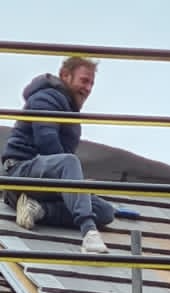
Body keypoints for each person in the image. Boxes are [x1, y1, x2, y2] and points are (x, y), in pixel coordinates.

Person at [3, 56, 113, 254]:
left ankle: (38, 209)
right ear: (65, 76)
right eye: (84, 80)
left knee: (105, 211)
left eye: (91, 83)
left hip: (43, 182)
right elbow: (47, 143)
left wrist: (78, 189)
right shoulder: (46, 98)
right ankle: (89, 233)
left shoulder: (69, 109)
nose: (88, 88)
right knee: (69, 163)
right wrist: (73, 182)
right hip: (20, 172)